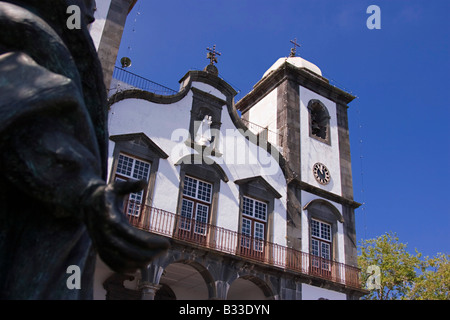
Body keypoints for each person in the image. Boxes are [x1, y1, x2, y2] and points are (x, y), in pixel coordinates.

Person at [0, 0, 169, 299]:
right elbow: (29, 112)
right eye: (87, 2)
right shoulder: (26, 34)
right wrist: (86, 190)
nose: (92, 10)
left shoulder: (51, 43)